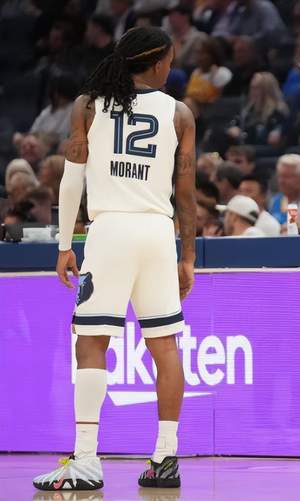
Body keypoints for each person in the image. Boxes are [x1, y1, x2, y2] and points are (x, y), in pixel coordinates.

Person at [33, 26, 197, 491]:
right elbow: (186, 194)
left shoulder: (88, 105)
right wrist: (187, 256)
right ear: (157, 63)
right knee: (165, 346)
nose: (170, 69)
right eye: (170, 62)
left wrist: (64, 244)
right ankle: (165, 459)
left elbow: (72, 181)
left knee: (90, 343)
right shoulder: (180, 113)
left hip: (110, 233)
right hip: (158, 232)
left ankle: (86, 460)